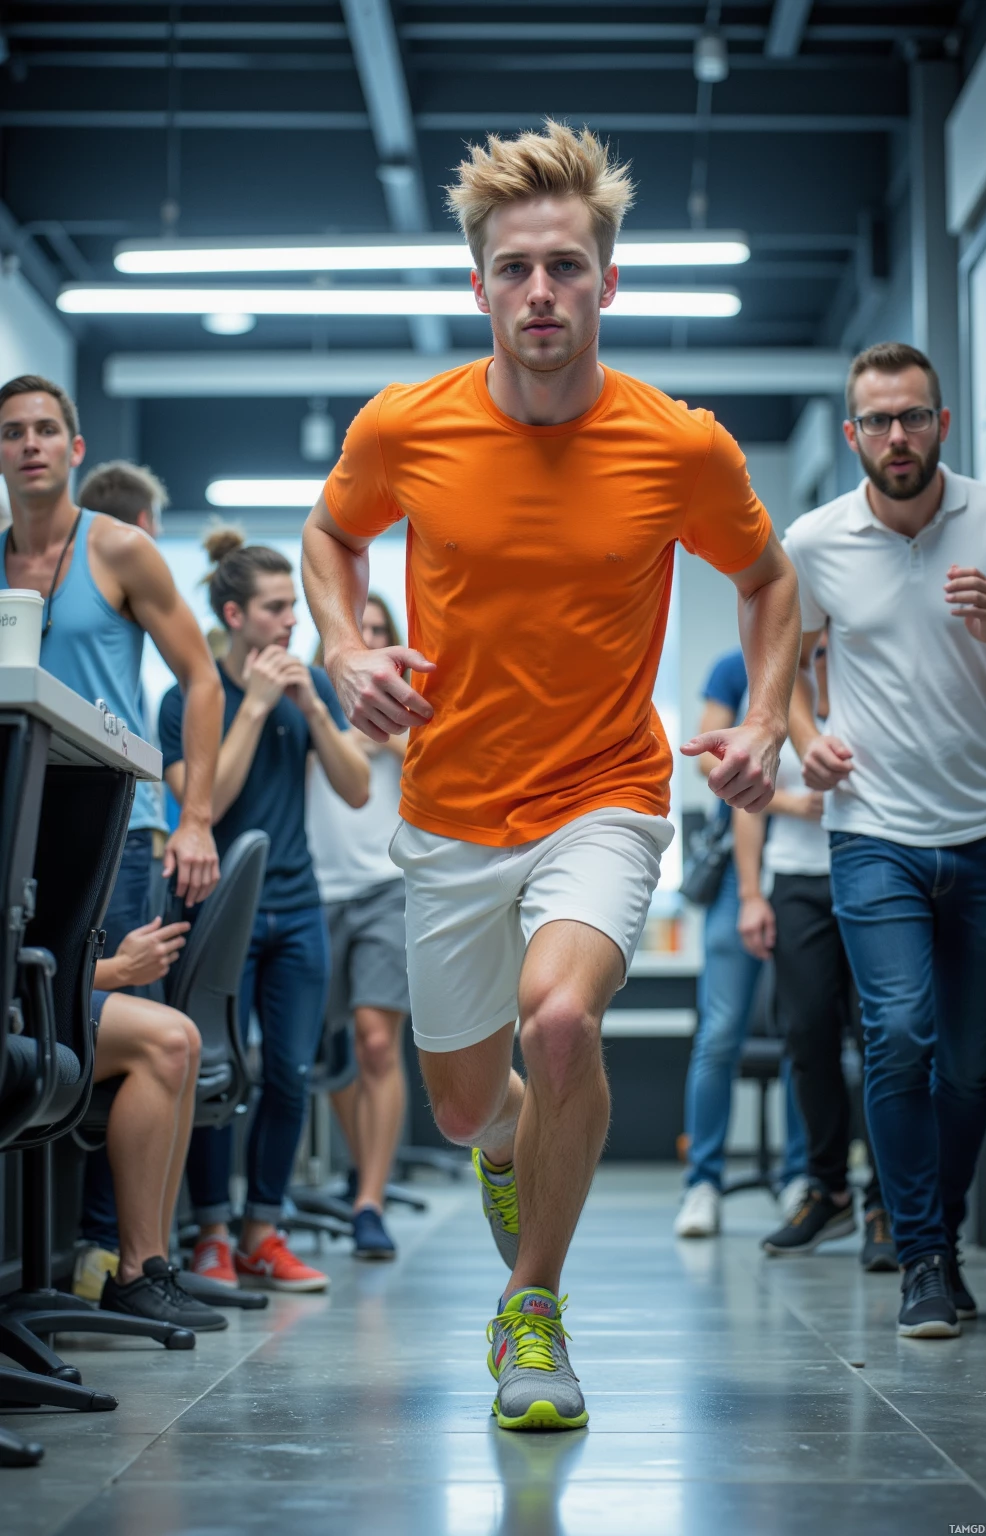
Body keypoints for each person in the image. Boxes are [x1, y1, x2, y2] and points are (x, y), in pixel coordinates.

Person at [302, 120, 800, 1430]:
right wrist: (345, 648)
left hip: (606, 793)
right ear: (478, 283)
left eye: (566, 267)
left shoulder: (678, 447)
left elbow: (767, 580)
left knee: (563, 1021)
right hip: (450, 812)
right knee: (468, 1107)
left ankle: (533, 1314)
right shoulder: (407, 426)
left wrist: (767, 720)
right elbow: (330, 535)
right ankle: (512, 1144)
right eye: (515, 268)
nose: (540, 292)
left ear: (607, 283)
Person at [785, 340, 986, 1338]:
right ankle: (919, 1254)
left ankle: (943, 1232)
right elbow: (783, 666)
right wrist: (807, 740)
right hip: (872, 830)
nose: (897, 436)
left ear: (941, 424)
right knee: (898, 1034)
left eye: (913, 417)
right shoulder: (813, 541)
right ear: (852, 434)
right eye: (878, 421)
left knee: (967, 1064)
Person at [0, 374, 227, 1331]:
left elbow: (201, 678)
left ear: (75, 448)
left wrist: (195, 817)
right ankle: (86, 1259)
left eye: (46, 429)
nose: (30, 444)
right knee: (76, 1024)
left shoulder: (118, 549)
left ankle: (126, 1258)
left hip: (115, 837)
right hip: (13, 831)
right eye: (13, 432)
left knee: (103, 1034)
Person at [161, 529, 370, 1293]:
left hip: (297, 907)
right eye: (276, 609)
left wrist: (311, 707)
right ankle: (212, 1233)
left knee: (289, 1072)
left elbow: (357, 788)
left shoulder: (304, 686)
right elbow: (203, 806)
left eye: (292, 608)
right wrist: (250, 708)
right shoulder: (187, 698)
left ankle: (262, 1232)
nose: (291, 622)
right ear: (234, 614)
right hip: (219, 915)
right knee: (217, 1073)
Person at [732, 640, 896, 1269]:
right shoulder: (776, 701)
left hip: (875, 875)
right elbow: (746, 803)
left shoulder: (873, 692)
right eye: (814, 647)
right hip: (798, 882)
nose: (821, 655)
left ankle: (886, 1203)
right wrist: (752, 895)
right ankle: (828, 1190)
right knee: (806, 1033)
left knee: (880, 1038)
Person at [68, 456, 173, 1292]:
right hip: (102, 824)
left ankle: (124, 1252)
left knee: (122, 1029)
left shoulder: (109, 578)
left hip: (128, 821)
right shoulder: (80, 567)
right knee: (108, 1023)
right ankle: (99, 1248)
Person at [674, 647, 807, 1240]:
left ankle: (803, 1178)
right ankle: (702, 1182)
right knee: (720, 1031)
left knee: (809, 1030)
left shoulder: (831, 657)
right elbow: (708, 760)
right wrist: (792, 802)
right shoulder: (734, 667)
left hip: (813, 867)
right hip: (738, 873)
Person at [306, 593, 411, 1261]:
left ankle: (370, 1200)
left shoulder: (408, 707)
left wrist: (384, 736)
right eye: (358, 629)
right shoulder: (310, 699)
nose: (368, 639)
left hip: (386, 886)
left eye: (379, 630)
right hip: (315, 890)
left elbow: (427, 755)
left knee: (376, 1041)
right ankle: (361, 1167)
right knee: (332, 1053)